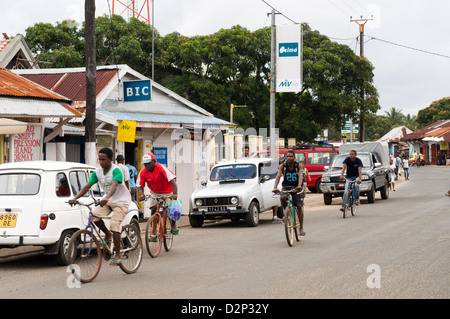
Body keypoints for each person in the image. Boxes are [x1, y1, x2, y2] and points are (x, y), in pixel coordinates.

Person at [69, 148, 131, 266]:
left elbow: (113, 185)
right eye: (100, 159)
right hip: (107, 201)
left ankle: (117, 255)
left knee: (114, 224)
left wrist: (106, 197)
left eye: (104, 160)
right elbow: (87, 186)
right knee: (93, 216)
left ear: (111, 159)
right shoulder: (97, 172)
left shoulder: (116, 170)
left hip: (121, 201)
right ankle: (107, 234)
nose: (101, 162)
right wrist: (75, 198)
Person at [137, 152, 179, 235]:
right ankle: (154, 229)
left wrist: (175, 194)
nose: (147, 166)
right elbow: (139, 185)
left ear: (154, 161)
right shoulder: (143, 172)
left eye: (149, 163)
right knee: (153, 208)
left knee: (171, 209)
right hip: (155, 192)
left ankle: (173, 225)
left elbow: (172, 181)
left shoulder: (161, 168)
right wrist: (142, 194)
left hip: (167, 192)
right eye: (145, 164)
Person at [272, 150, 305, 236]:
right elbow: (278, 175)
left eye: (291, 156)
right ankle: (286, 213)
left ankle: (301, 228)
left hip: (296, 187)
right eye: (287, 156)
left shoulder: (298, 165)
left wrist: (299, 185)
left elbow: (301, 175)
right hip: (286, 186)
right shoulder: (283, 166)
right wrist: (275, 187)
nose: (289, 158)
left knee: (299, 206)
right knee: (282, 198)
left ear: (294, 157)